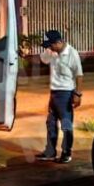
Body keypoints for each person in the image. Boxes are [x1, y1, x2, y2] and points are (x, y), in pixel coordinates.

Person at [39, 29, 83, 163]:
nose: (49, 48)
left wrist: (78, 94)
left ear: (59, 42)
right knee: (51, 123)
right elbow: (44, 60)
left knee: (66, 124)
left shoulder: (72, 53)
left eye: (51, 45)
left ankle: (66, 153)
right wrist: (48, 49)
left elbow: (79, 75)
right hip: (53, 93)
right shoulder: (52, 52)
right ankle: (50, 152)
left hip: (66, 93)